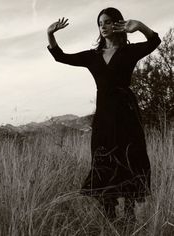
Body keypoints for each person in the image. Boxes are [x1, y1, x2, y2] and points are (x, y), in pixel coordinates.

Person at [47, 7, 161, 219]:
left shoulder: (129, 51)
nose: (103, 26)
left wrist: (140, 27)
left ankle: (129, 213)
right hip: (104, 116)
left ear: (118, 24)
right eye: (100, 23)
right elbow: (60, 57)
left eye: (108, 22)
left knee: (130, 156)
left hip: (127, 113)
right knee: (103, 159)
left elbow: (154, 42)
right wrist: (50, 34)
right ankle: (109, 212)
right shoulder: (93, 56)